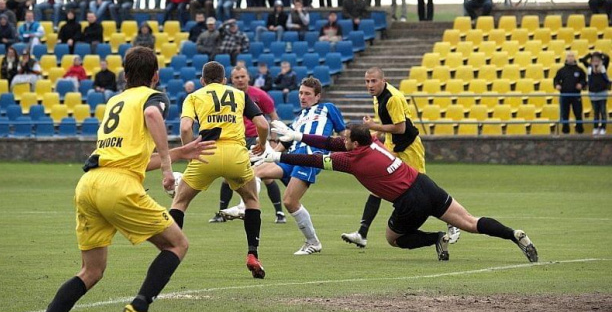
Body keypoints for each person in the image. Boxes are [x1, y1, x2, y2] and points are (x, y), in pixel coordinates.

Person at [25, 46, 216, 312]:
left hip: (89, 184)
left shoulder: (115, 100)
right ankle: (140, 308)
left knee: (91, 271)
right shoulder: (153, 97)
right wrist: (168, 167)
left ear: (125, 75)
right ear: (156, 76)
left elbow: (129, 157)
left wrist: (180, 153)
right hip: (118, 186)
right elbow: (153, 115)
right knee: (177, 244)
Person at [262, 123, 539, 264]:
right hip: (424, 183)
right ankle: (514, 234)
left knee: (393, 239)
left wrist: (278, 155)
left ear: (354, 142)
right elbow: (331, 141)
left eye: (346, 139)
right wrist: (297, 137)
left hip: (409, 201)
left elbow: (314, 159)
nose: (342, 141)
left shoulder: (351, 160)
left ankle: (436, 238)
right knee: (469, 221)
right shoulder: (372, 142)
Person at [221, 77, 347, 255]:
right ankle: (243, 206)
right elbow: (286, 143)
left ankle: (313, 242)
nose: (303, 97)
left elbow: (344, 135)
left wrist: (349, 153)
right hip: (291, 157)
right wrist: (268, 157)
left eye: (308, 94)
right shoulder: (299, 118)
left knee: (290, 201)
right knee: (254, 172)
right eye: (301, 93)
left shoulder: (328, 108)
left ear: (318, 96)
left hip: (310, 157)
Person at [170, 61, 270, 279]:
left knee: (180, 202)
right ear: (225, 80)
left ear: (202, 81)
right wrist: (262, 143)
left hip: (206, 152)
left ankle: (170, 254)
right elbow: (263, 124)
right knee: (251, 200)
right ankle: (253, 254)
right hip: (235, 153)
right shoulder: (239, 94)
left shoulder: (194, 96)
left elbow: (186, 128)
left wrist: (189, 152)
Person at [341, 66, 435, 248]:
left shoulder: (393, 98)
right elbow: (389, 127)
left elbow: (400, 128)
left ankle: (452, 222)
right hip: (393, 147)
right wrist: (377, 137)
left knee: (423, 189)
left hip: (409, 147)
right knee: (377, 187)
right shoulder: (378, 98)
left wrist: (373, 127)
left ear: (383, 80)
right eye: (367, 81)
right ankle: (362, 233)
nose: (370, 85)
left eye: (374, 81)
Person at [210, 66, 285, 224]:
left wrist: (273, 139)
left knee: (267, 177)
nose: (240, 80)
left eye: (242, 76)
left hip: (255, 139)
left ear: (248, 78)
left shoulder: (259, 95)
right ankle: (220, 213)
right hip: (235, 140)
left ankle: (279, 213)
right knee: (227, 177)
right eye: (236, 77)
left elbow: (273, 117)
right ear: (231, 79)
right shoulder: (225, 96)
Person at [553, 51, 586, 135]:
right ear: (566, 58)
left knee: (578, 113)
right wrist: (557, 85)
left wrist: (581, 84)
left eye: (572, 56)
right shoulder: (561, 70)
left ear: (574, 58)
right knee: (565, 114)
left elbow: (584, 80)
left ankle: (580, 131)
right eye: (569, 56)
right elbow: (556, 80)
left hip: (576, 95)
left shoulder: (579, 70)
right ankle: (565, 132)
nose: (570, 58)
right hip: (564, 95)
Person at [582, 52, 611, 135]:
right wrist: (590, 55)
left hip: (602, 92)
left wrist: (600, 54)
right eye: (594, 60)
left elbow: (607, 57)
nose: (596, 62)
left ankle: (603, 128)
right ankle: (595, 127)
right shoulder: (589, 68)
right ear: (591, 61)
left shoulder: (603, 67)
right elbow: (583, 60)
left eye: (597, 60)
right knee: (595, 112)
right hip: (593, 93)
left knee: (603, 111)